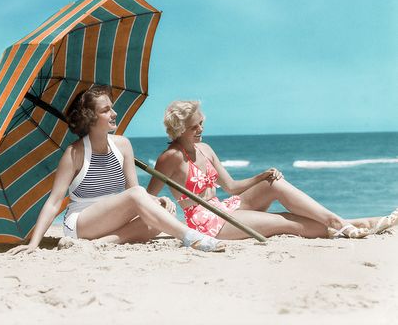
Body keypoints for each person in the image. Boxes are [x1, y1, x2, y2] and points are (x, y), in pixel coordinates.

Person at [8, 87, 225, 255]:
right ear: (90, 118)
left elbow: (133, 191)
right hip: (82, 221)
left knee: (164, 212)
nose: (114, 113)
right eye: (106, 110)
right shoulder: (74, 154)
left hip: (112, 220)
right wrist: (34, 243)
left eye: (111, 107)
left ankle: (105, 242)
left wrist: (156, 200)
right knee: (143, 200)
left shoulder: (123, 145)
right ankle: (190, 237)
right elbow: (54, 202)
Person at [147, 100, 398, 240]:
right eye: (194, 127)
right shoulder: (170, 158)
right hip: (208, 224)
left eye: (201, 124)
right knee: (284, 221)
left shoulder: (206, 149)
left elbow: (231, 187)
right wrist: (162, 201)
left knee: (273, 184)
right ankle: (354, 223)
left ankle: (337, 221)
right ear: (179, 130)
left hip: (223, 208)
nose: (200, 130)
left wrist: (262, 176)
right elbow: (148, 198)